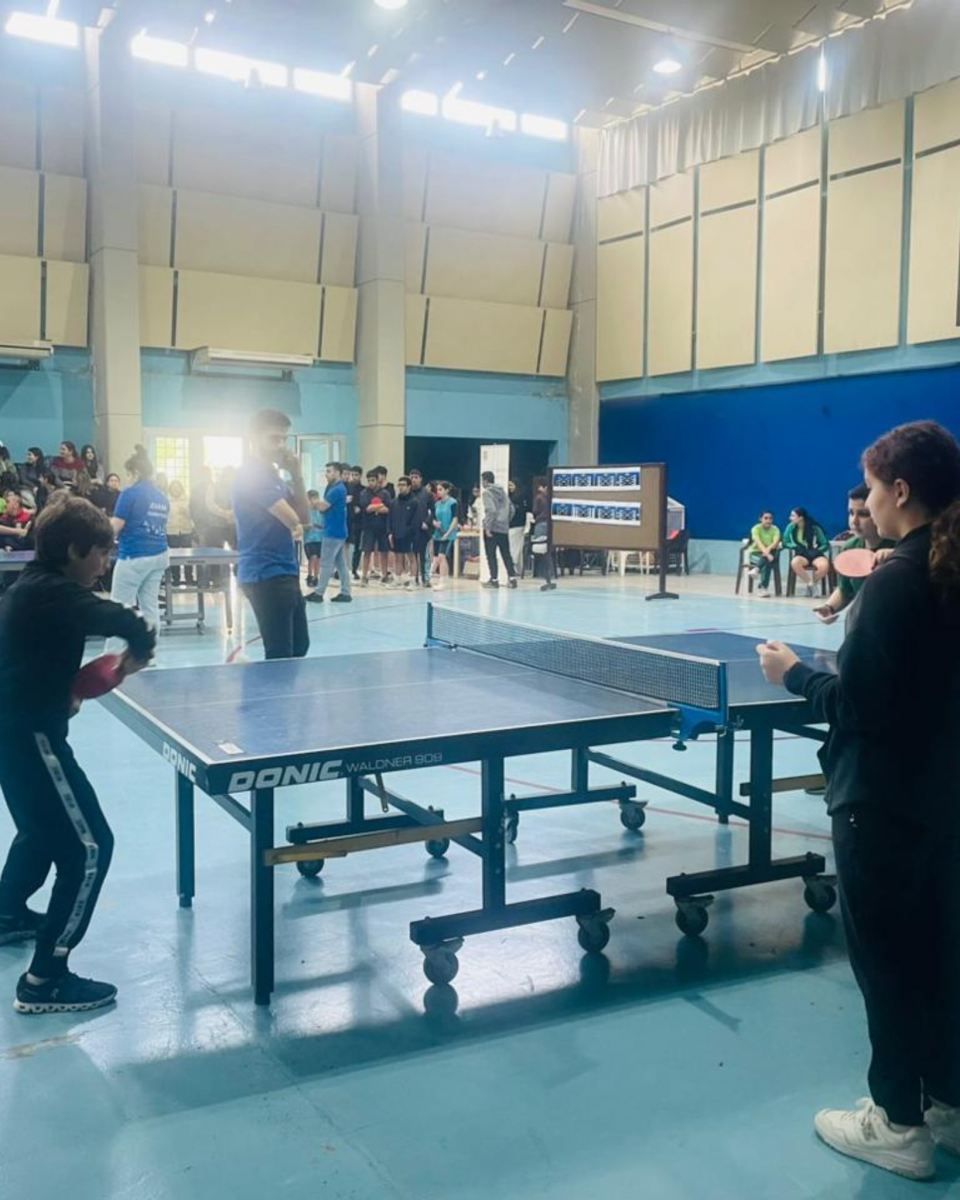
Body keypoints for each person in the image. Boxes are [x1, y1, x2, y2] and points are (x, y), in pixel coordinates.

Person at [757, 421, 960, 1182]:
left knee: (887, 965)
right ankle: (948, 1103)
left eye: (872, 489)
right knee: (940, 956)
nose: (866, 503)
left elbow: (860, 707)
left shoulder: (895, 582)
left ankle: (897, 1123)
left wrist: (794, 674)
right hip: (943, 799)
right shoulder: (943, 570)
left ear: (900, 491)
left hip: (879, 804)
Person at [0, 497, 155, 1012]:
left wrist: (58, 689)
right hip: (31, 737)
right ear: (73, 550)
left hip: (13, 728)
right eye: (101, 553)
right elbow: (129, 621)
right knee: (89, 849)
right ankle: (45, 979)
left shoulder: (32, 587)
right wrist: (134, 656)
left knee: (39, 831)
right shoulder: (57, 593)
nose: (105, 564)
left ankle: (7, 914)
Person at [233, 409, 309, 660]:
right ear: (254, 438)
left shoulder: (274, 476)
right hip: (265, 573)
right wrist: (296, 521)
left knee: (299, 647)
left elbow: (305, 518)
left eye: (284, 439)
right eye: (274, 438)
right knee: (280, 655)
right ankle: (258, 686)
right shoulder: (251, 475)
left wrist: (296, 474)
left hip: (285, 569)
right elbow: (293, 519)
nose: (281, 445)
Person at [106, 446, 170, 656]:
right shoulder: (162, 497)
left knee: (119, 606)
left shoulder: (129, 493)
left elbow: (116, 525)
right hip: (159, 554)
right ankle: (148, 653)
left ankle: (113, 655)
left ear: (135, 472)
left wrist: (97, 538)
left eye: (128, 474)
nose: (127, 478)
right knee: (150, 607)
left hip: (134, 555)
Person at [813, 483, 896, 626]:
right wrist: (828, 608)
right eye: (851, 513)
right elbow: (845, 590)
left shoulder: (901, 545)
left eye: (863, 514)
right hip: (863, 624)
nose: (854, 521)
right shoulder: (849, 548)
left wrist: (896, 555)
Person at [307, 461, 352, 604]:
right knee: (341, 564)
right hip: (337, 530)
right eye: (326, 471)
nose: (326, 474)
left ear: (337, 473)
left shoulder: (336, 490)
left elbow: (323, 507)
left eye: (329, 471)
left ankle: (319, 593)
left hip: (333, 532)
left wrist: (312, 502)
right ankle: (346, 592)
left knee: (326, 563)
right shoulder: (336, 488)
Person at [480, 471, 517, 589]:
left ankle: (494, 580)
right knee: (506, 554)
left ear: (485, 481)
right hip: (503, 528)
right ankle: (512, 579)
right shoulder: (503, 491)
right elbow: (512, 509)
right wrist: (506, 521)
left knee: (491, 555)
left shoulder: (487, 493)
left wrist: (488, 527)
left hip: (492, 528)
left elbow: (491, 510)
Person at [784, 506, 830, 596]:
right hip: (801, 554)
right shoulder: (790, 527)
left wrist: (818, 550)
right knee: (795, 563)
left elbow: (825, 543)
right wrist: (795, 546)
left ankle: (811, 586)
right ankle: (811, 584)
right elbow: (785, 542)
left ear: (800, 518)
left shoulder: (814, 528)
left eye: (793, 516)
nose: (790, 518)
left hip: (815, 554)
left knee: (824, 566)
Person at [358, 468, 392, 587]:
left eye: (373, 480)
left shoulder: (385, 493)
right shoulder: (364, 493)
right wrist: (380, 506)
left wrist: (375, 507)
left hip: (382, 527)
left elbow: (388, 509)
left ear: (378, 481)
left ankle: (384, 575)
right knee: (367, 551)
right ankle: (364, 576)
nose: (370, 483)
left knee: (384, 552)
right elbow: (367, 509)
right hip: (368, 527)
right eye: (369, 480)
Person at [430, 481, 459, 589]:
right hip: (437, 533)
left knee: (442, 557)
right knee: (436, 557)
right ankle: (430, 576)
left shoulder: (453, 503)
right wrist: (434, 523)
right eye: (437, 490)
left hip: (448, 534)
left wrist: (448, 533)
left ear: (447, 490)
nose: (438, 492)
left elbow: (455, 519)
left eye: (440, 489)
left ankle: (443, 581)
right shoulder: (437, 504)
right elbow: (433, 517)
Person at [166, 480, 195, 586]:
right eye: (174, 487)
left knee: (188, 555)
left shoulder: (187, 500)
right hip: (171, 531)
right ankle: (176, 578)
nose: (176, 489)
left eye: (178, 487)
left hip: (186, 530)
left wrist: (186, 512)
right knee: (174, 556)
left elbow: (193, 514)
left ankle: (189, 578)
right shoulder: (166, 501)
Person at [408, 468, 434, 586]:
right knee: (412, 555)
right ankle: (414, 578)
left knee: (424, 555)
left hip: (424, 530)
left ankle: (425, 578)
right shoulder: (408, 494)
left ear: (420, 479)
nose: (413, 480)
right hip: (411, 529)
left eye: (416, 477)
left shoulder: (427, 494)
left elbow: (433, 511)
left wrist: (427, 523)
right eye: (412, 477)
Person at [747, 510, 782, 597]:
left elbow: (775, 543)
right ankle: (763, 588)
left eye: (770, 518)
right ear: (760, 519)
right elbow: (758, 543)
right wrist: (767, 554)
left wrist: (767, 552)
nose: (768, 520)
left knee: (767, 561)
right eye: (765, 518)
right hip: (755, 554)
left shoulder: (775, 529)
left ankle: (756, 569)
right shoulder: (756, 528)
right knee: (767, 561)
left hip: (771, 553)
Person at [532, 482, 556, 591]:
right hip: (550, 524)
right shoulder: (552, 498)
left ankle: (542, 573)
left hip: (541, 523)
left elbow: (535, 511)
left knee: (539, 549)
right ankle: (550, 573)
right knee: (548, 550)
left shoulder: (539, 497)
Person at [345, 464, 364, 580]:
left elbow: (365, 503)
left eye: (356, 475)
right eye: (352, 474)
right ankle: (343, 569)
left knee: (357, 547)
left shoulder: (363, 490)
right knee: (344, 546)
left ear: (360, 476)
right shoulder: (346, 487)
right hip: (346, 520)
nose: (353, 477)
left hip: (358, 522)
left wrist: (360, 507)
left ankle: (355, 569)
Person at [303, 490, 325, 588]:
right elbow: (302, 525)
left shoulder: (321, 511)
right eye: (311, 499)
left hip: (320, 538)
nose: (314, 501)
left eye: (316, 498)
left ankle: (316, 577)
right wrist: (307, 526)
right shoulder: (306, 512)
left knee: (318, 558)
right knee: (313, 557)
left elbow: (323, 524)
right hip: (309, 539)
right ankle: (310, 575)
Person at [507, 481, 528, 579]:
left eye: (511, 485)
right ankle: (518, 568)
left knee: (514, 547)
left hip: (516, 525)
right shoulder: (512, 497)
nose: (509, 487)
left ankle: (514, 567)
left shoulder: (518, 498)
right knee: (517, 547)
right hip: (514, 526)